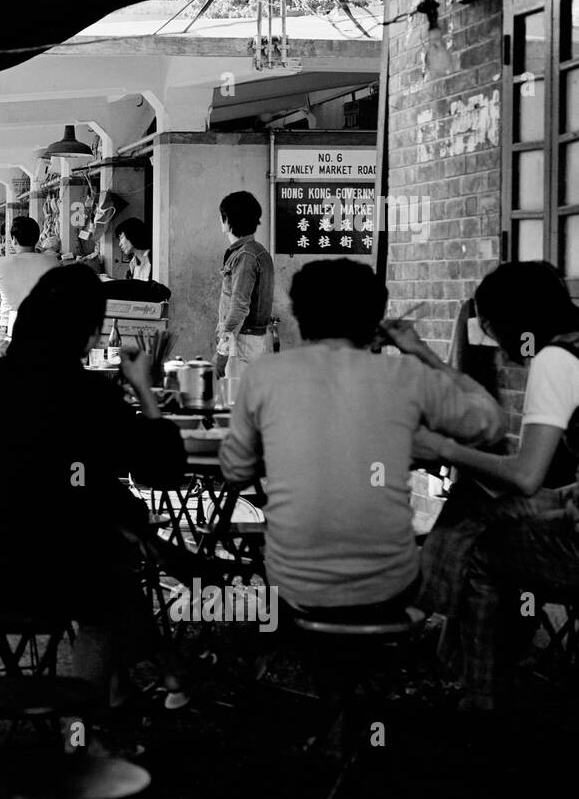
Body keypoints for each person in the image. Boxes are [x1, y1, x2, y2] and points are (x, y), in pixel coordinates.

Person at [0, 263, 186, 707]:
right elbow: (162, 469)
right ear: (87, 337)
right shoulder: (90, 396)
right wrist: (144, 390)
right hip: (63, 579)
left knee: (105, 529)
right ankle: (92, 714)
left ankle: (128, 686)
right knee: (109, 581)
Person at [219, 259, 505, 621]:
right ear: (376, 318)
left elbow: (234, 470)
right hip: (390, 585)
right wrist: (421, 351)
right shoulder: (406, 374)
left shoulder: (265, 376)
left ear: (299, 314)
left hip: (292, 585)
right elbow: (490, 424)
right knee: (471, 497)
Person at [418, 262, 579, 714]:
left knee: (484, 550)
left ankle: (476, 693)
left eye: (489, 324)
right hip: (573, 498)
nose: (488, 335)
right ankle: (434, 632)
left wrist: (443, 447)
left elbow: (526, 475)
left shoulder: (556, 360)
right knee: (473, 500)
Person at [215, 191, 275, 383]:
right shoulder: (258, 252)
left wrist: (221, 352)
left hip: (241, 342)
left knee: (235, 403)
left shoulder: (245, 256)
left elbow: (239, 307)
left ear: (227, 220)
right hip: (252, 341)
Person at [0, 215, 59, 334]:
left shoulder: (0, 264)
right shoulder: (52, 262)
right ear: (37, 239)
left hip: (10, 329)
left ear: (14, 240)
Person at [114, 218, 170, 303]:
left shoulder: (155, 259)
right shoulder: (132, 266)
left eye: (121, 237)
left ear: (132, 234)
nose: (120, 243)